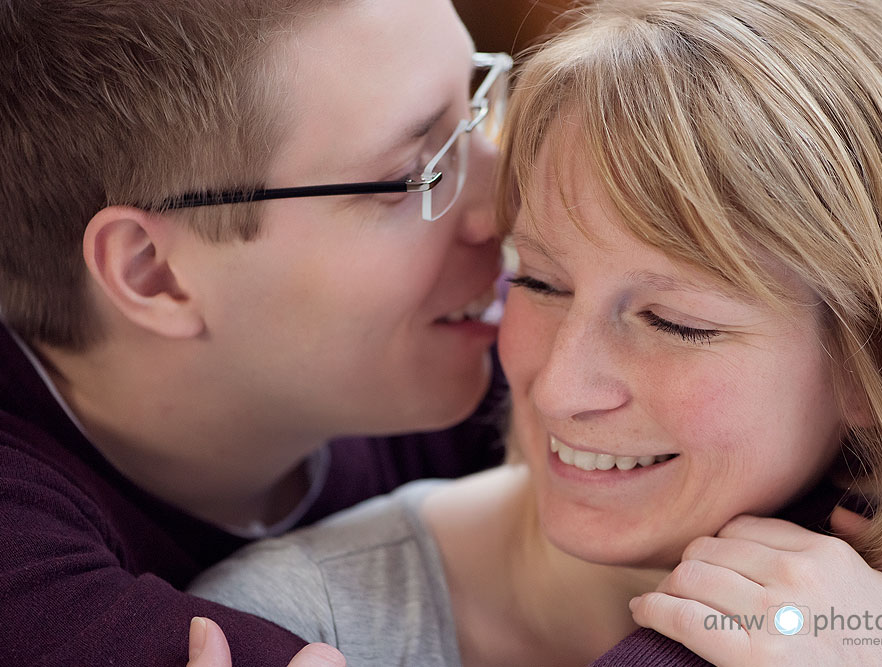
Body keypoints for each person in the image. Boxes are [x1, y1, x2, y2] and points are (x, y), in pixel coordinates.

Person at [188, 0, 882, 665]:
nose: (556, 387)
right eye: (537, 281)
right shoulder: (287, 626)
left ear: (875, 364)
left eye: (675, 322)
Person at [0, 1, 511, 665]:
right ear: (156, 275)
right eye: (411, 175)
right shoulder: (29, 592)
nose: (507, 205)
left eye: (475, 106)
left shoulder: (467, 342)